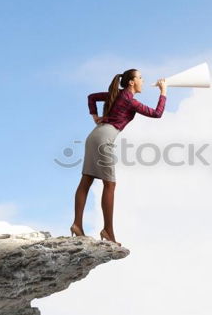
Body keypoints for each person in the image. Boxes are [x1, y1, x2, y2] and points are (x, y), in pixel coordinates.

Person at [70, 69, 167, 246]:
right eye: (140, 78)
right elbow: (156, 113)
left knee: (86, 180)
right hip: (104, 138)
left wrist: (95, 116)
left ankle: (77, 224)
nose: (143, 80)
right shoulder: (129, 100)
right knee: (110, 184)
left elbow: (91, 97)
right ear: (131, 82)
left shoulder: (116, 94)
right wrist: (163, 92)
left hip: (94, 135)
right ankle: (108, 230)